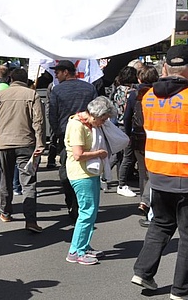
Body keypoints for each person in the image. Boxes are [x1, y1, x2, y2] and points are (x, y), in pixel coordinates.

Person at [131, 45, 188, 298]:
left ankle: (143, 272)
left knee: (161, 224)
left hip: (157, 174)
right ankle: (182, 289)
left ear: (166, 67)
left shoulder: (148, 98)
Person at [0, 67, 45, 233]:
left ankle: (5, 212)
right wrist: (40, 143)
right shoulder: (31, 94)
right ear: (25, 79)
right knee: (28, 182)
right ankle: (31, 221)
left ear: (10, 79)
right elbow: (38, 121)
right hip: (26, 143)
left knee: (5, 179)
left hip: (3, 144)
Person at [64, 96, 115, 265]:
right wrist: (99, 154)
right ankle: (76, 251)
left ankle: (83, 246)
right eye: (103, 119)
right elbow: (78, 155)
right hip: (81, 174)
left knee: (90, 212)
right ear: (94, 115)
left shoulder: (85, 123)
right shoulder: (78, 125)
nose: (104, 122)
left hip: (88, 173)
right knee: (87, 212)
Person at [49, 60, 98, 220]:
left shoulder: (57, 91)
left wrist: (57, 133)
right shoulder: (89, 88)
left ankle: (71, 201)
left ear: (66, 72)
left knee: (67, 169)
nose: (55, 74)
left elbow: (53, 115)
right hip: (88, 132)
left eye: (57, 72)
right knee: (87, 168)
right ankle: (83, 202)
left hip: (66, 135)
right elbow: (96, 111)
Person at [123, 65, 159, 227]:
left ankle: (145, 202)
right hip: (155, 136)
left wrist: (127, 135)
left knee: (143, 172)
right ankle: (152, 204)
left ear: (139, 79)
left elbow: (127, 117)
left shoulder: (133, 95)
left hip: (138, 136)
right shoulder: (160, 94)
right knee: (155, 172)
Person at [110, 66, 139, 197]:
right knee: (127, 157)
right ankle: (121, 184)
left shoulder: (117, 90)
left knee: (117, 155)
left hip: (116, 125)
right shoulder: (132, 92)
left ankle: (101, 177)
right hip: (127, 126)